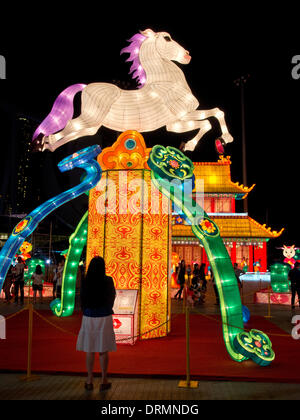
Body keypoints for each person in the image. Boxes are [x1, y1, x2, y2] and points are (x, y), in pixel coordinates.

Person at [76, 257, 116, 392]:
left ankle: (89, 379)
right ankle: (104, 379)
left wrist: (86, 310)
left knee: (90, 349)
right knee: (103, 350)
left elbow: (82, 298)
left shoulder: (86, 280)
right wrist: (107, 307)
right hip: (104, 316)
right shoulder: (108, 280)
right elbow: (112, 296)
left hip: (89, 316)